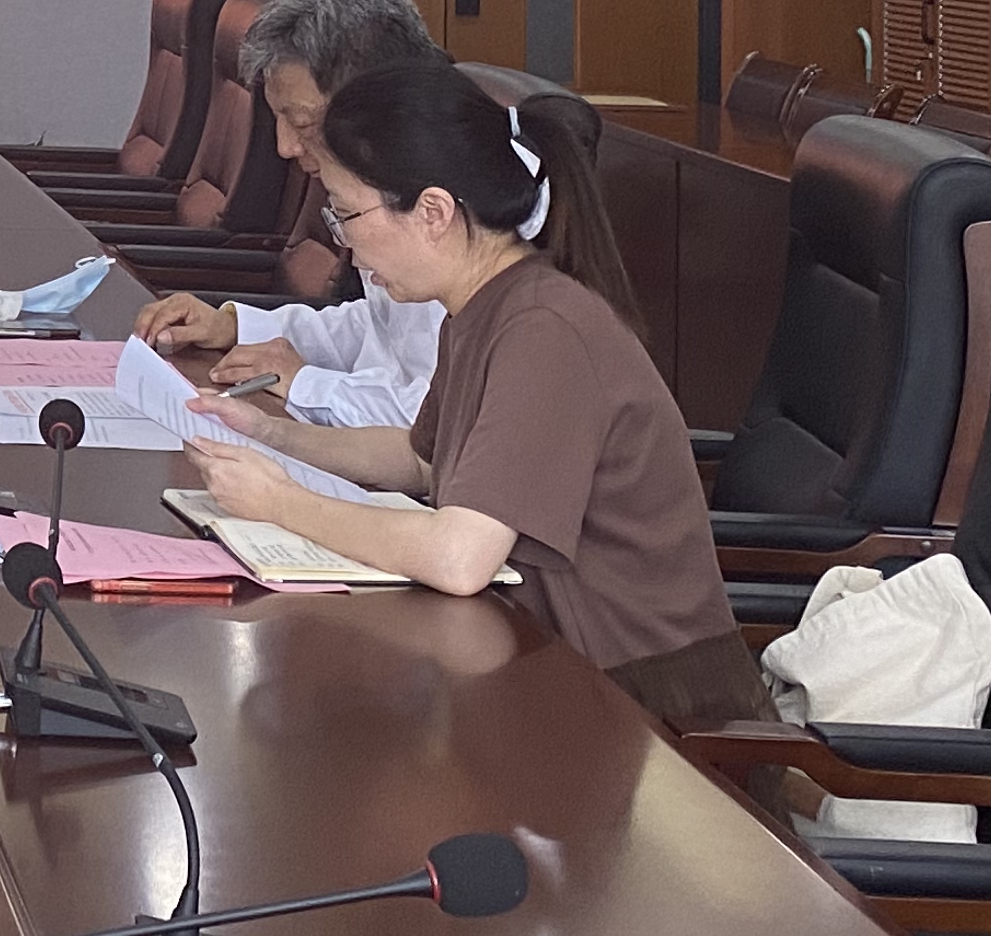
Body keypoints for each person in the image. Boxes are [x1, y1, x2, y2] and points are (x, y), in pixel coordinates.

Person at [187, 61, 761, 733]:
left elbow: (460, 558)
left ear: (433, 212)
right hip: (544, 666)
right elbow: (421, 459)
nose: (343, 242)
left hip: (648, 715)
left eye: (346, 213)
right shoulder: (481, 306)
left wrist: (281, 502)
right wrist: (271, 434)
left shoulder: (545, 329)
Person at [130, 0, 450, 425]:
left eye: (301, 122)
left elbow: (435, 420)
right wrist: (236, 326)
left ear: (376, 100)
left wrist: (304, 383)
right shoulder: (392, 177)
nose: (286, 146)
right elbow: (379, 331)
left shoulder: (452, 210)